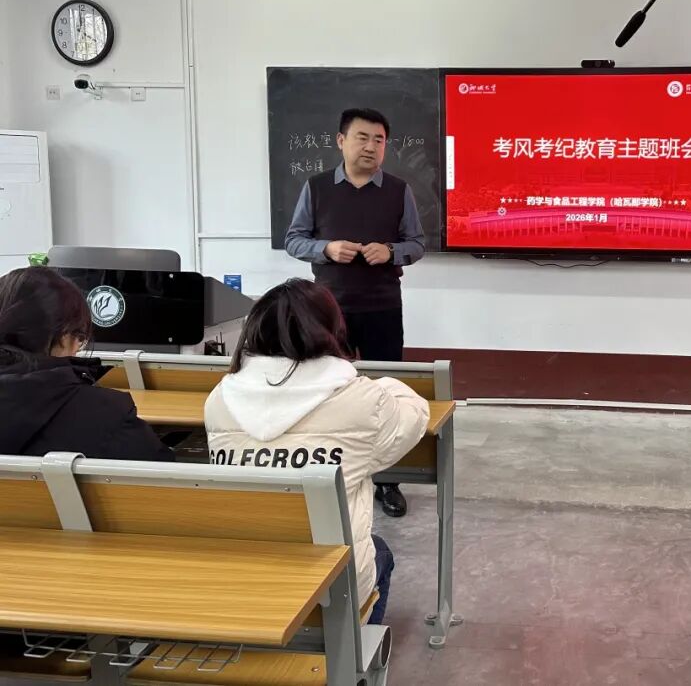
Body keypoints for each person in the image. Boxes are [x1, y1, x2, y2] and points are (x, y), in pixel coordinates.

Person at [203, 279, 428, 625]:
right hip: (329, 588)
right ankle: (355, 652)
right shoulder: (362, 400)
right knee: (380, 551)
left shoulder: (219, 398)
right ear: (332, 329)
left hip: (243, 573)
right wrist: (382, 385)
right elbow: (412, 420)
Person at [285, 107, 424, 518]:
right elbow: (294, 239)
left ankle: (388, 481)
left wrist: (392, 251)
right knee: (326, 391)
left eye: (379, 140)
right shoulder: (316, 188)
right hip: (328, 309)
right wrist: (325, 248)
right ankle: (328, 477)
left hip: (383, 306)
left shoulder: (398, 190)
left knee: (386, 392)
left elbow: (417, 243)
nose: (371, 147)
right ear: (341, 141)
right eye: (362, 137)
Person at [0, 266, 174, 461]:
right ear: (63, 335)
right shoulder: (106, 414)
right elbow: (166, 472)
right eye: (80, 337)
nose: (78, 348)